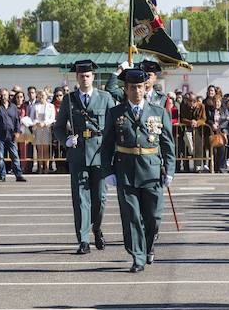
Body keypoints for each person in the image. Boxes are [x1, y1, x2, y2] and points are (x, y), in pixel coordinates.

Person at [101, 67, 175, 272]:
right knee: (132, 216)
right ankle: (138, 256)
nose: (136, 91)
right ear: (126, 89)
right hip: (125, 171)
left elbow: (168, 145)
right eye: (132, 87)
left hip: (151, 171)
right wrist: (108, 171)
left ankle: (149, 246)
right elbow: (106, 144)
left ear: (145, 88)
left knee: (153, 217)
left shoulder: (158, 112)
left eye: (140, 87)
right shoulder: (115, 113)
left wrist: (169, 170)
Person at [54, 60, 116, 255]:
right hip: (78, 153)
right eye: (81, 76)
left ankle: (97, 228)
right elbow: (58, 127)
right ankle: (83, 239)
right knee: (81, 199)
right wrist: (66, 140)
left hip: (100, 154)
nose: (84, 79)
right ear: (77, 78)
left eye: (88, 75)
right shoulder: (69, 99)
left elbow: (113, 127)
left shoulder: (105, 98)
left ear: (93, 77)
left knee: (100, 199)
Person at [0, 88, 26, 182]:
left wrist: (17, 132)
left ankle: (18, 175)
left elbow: (17, 120)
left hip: (11, 135)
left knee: (15, 156)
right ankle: (2, 175)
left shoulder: (13, 106)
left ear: (8, 96)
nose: (3, 97)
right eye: (1, 95)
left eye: (5, 95)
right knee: (0, 156)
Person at [30, 89, 56, 173]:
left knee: (46, 149)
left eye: (43, 95)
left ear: (46, 96)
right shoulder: (35, 106)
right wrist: (37, 123)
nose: (41, 97)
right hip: (37, 129)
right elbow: (31, 118)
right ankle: (40, 167)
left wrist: (44, 123)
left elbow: (52, 118)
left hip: (46, 129)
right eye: (40, 95)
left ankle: (46, 167)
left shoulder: (51, 106)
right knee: (39, 149)